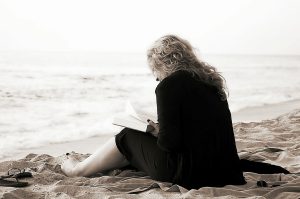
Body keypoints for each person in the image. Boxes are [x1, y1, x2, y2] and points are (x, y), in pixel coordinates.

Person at [61, 35, 288, 189]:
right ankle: (107, 162)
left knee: (127, 135)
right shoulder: (211, 83)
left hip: (189, 176)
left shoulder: (169, 86)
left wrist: (153, 130)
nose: (155, 77)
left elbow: (170, 144)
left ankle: (78, 170)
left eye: (154, 70)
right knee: (137, 140)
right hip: (223, 171)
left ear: (163, 63)